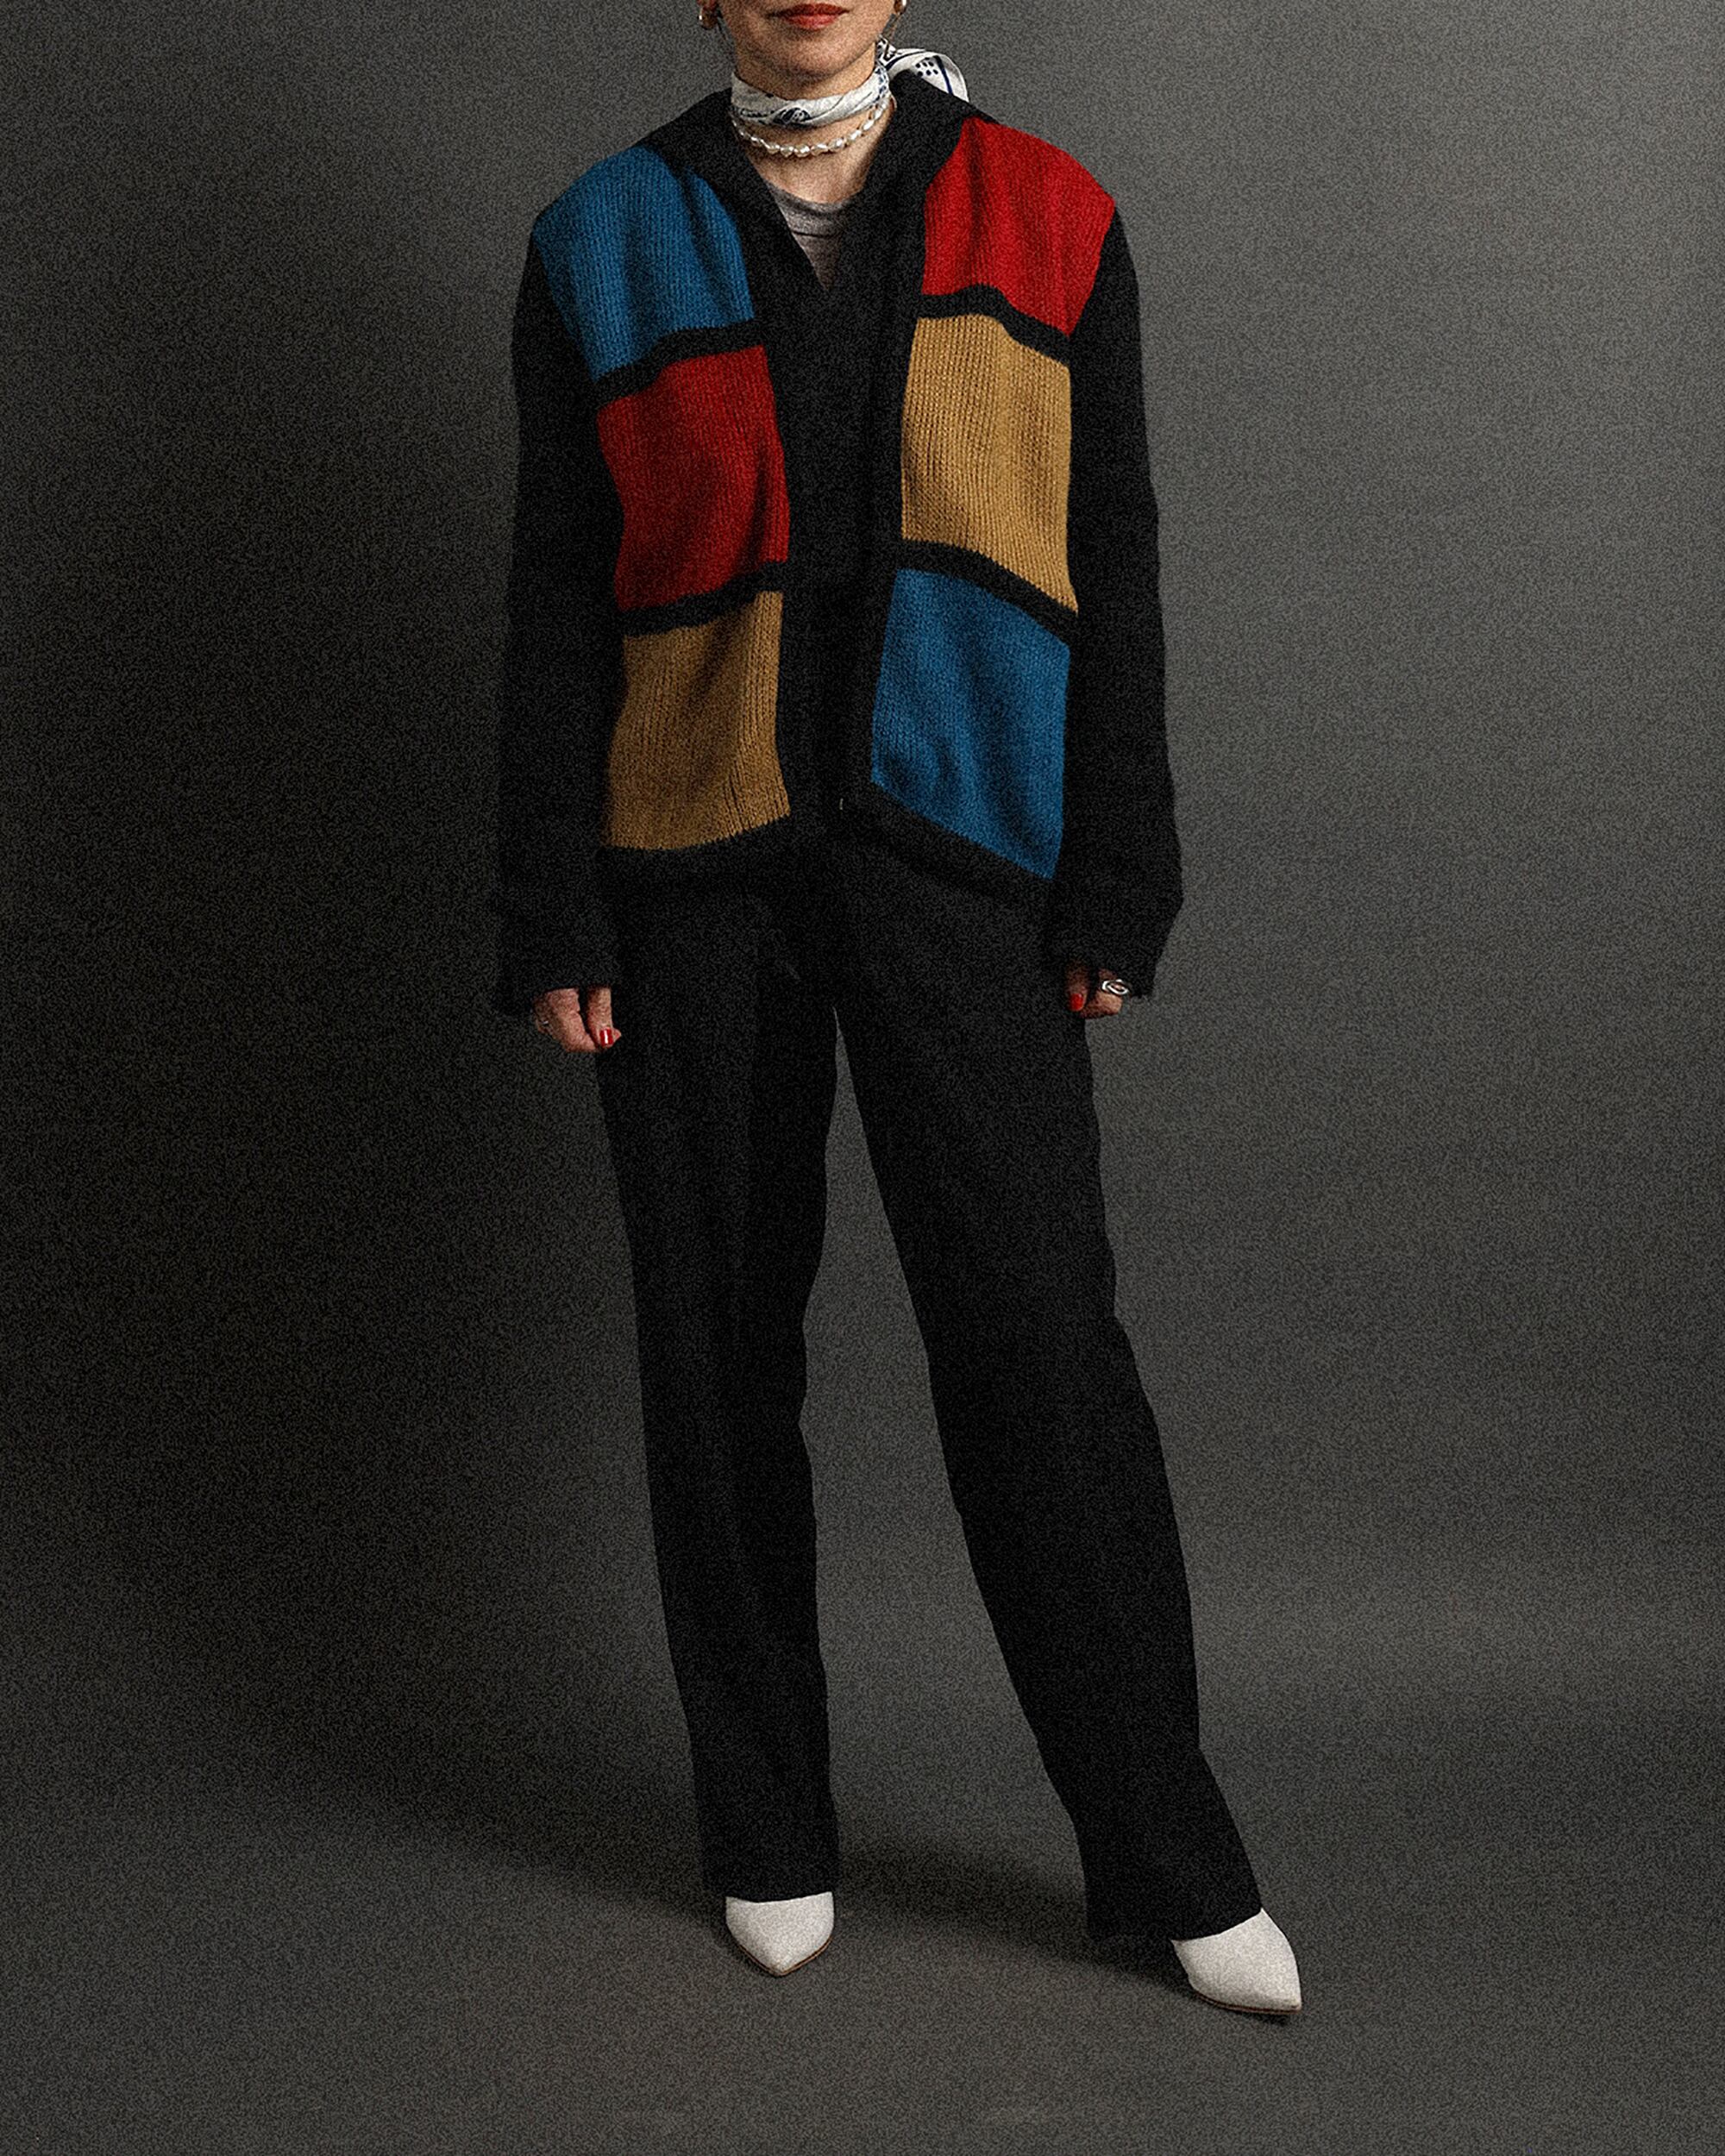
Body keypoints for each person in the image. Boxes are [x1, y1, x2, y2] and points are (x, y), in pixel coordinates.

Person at [488, 0, 1303, 2017]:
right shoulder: (595, 237)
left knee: (1039, 1346)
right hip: (687, 870)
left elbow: (1113, 554)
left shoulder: (1051, 214)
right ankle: (765, 1823)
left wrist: (1117, 868)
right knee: (713, 1354)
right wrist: (555, 902)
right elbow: (559, 592)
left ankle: (1167, 1851)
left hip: (966, 856)